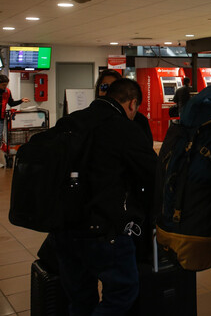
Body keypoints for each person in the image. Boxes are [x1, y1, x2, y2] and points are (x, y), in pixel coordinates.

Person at [52, 78, 158, 315]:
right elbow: (153, 173)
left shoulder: (71, 121)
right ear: (132, 104)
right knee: (123, 292)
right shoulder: (124, 128)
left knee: (80, 298)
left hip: (63, 227)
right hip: (104, 230)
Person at [95, 69, 152, 146]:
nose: (109, 93)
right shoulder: (90, 118)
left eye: (114, 89)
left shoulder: (138, 120)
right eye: (104, 87)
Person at [0, 74, 29, 167]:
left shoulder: (7, 92)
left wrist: (21, 100)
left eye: (6, 85)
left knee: (0, 137)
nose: (5, 87)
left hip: (1, 118)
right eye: (3, 85)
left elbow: (11, 103)